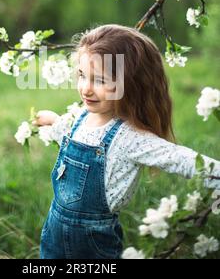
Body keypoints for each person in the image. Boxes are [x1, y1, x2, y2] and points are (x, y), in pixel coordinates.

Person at [33, 24, 220, 259]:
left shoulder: (130, 138)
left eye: (99, 80)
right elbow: (72, 138)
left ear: (131, 83)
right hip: (54, 232)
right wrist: (54, 121)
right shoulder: (83, 115)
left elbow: (181, 159)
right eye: (82, 75)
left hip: (93, 243)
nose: (86, 89)